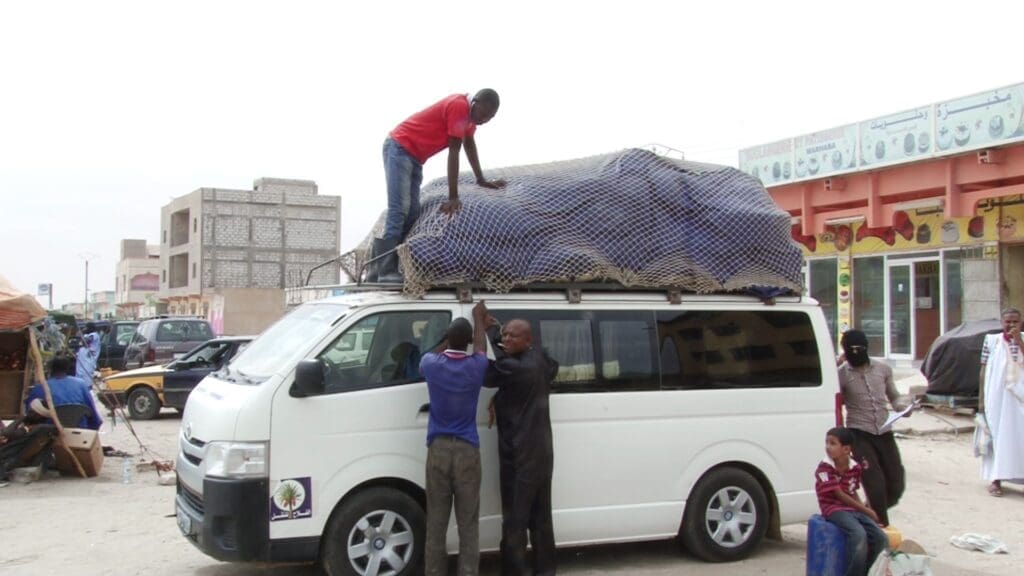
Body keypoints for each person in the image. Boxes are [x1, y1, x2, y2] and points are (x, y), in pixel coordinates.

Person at [370, 89, 506, 283]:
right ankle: (385, 270)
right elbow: (454, 150)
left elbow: (469, 144)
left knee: (413, 212)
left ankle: (376, 269)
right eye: (483, 114)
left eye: (489, 118)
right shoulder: (459, 107)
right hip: (400, 147)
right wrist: (453, 197)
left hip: (415, 157)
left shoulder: (470, 120)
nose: (483, 120)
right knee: (400, 208)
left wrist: (481, 179)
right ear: (475, 102)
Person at [482, 305, 559, 576]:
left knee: (515, 520)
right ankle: (545, 570)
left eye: (512, 336)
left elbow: (485, 373)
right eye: (504, 334)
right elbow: (550, 367)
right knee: (541, 517)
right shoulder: (541, 361)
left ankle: (514, 571)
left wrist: (482, 332)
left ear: (528, 340)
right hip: (542, 454)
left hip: (519, 456)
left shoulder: (513, 368)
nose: (506, 338)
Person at [419, 302, 490, 576]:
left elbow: (430, 355)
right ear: (469, 342)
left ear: (448, 338)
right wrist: (479, 319)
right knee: (468, 523)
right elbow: (481, 348)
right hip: (467, 451)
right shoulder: (476, 366)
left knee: (436, 523)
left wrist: (447, 340)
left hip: (438, 450)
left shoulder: (431, 364)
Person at [837, 329, 910, 527]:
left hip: (884, 431)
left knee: (896, 483)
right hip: (859, 433)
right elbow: (833, 400)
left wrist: (902, 407)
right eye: (850, 350)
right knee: (874, 483)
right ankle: (881, 527)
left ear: (866, 348)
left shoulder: (883, 369)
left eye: (858, 349)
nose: (855, 353)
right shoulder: (842, 374)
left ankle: (867, 514)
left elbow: (894, 396)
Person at [815, 426, 889, 576]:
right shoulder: (824, 468)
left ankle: (869, 572)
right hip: (833, 508)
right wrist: (866, 510)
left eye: (833, 443)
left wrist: (866, 513)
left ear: (846, 449)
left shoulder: (854, 467)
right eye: (827, 442)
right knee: (858, 534)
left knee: (881, 538)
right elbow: (839, 494)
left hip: (851, 509)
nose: (828, 447)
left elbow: (852, 490)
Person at [977, 307, 1024, 497]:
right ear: (1001, 322)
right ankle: (995, 480)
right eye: (1008, 321)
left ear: (1021, 323)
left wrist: (1019, 341)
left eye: (1015, 321)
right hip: (996, 397)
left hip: (1019, 398)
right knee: (997, 435)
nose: (1011, 325)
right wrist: (981, 401)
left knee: (1019, 436)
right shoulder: (991, 341)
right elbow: (983, 370)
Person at [25, 355, 103, 430]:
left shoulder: (41, 387)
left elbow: (30, 414)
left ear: (50, 370)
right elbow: (93, 415)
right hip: (79, 430)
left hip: (51, 431)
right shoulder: (80, 384)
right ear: (67, 368)